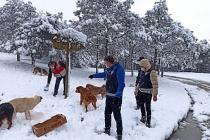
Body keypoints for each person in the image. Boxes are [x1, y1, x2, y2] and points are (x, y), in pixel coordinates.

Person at [88, 56, 125, 140]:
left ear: (109, 62)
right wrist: (93, 76)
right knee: (107, 114)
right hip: (108, 96)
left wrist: (118, 95)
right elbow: (103, 74)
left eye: (105, 62)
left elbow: (121, 84)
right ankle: (107, 130)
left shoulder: (118, 69)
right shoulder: (109, 70)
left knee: (117, 115)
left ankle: (119, 134)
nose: (105, 64)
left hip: (116, 97)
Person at [135, 59, 158, 128]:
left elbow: (155, 85)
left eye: (142, 66)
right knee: (141, 105)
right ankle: (143, 117)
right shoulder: (142, 72)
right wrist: (136, 89)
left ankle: (148, 122)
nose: (141, 68)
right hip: (141, 91)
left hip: (148, 93)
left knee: (148, 107)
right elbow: (140, 82)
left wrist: (155, 95)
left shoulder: (152, 72)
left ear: (146, 66)